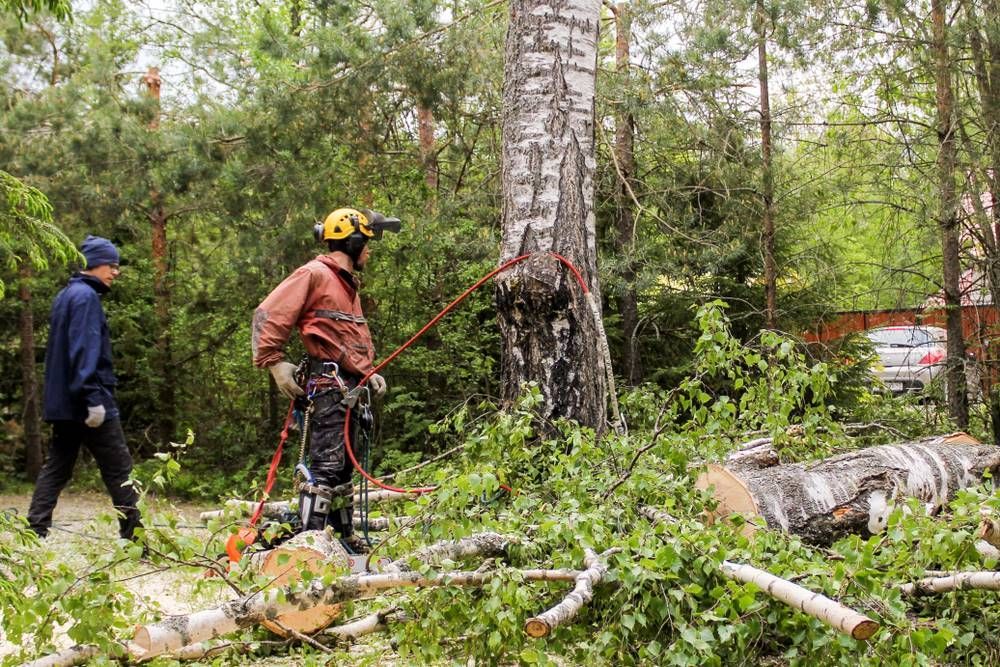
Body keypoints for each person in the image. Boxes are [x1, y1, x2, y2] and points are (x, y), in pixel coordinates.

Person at [252, 208, 399, 550]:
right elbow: (267, 314)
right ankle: (308, 548)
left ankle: (343, 541)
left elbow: (346, 340)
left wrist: (369, 372)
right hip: (328, 388)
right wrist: (274, 362)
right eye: (368, 243)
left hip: (349, 388)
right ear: (354, 241)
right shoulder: (314, 274)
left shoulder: (347, 286)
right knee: (326, 467)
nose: (370, 251)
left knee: (344, 468)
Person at [28, 235, 142, 542]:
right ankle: (137, 543)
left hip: (65, 405)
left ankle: (34, 532)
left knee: (57, 467)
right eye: (112, 265)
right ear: (94, 263)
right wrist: (93, 399)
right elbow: (83, 351)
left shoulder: (66, 295)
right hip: (90, 403)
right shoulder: (86, 299)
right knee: (121, 472)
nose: (116, 272)